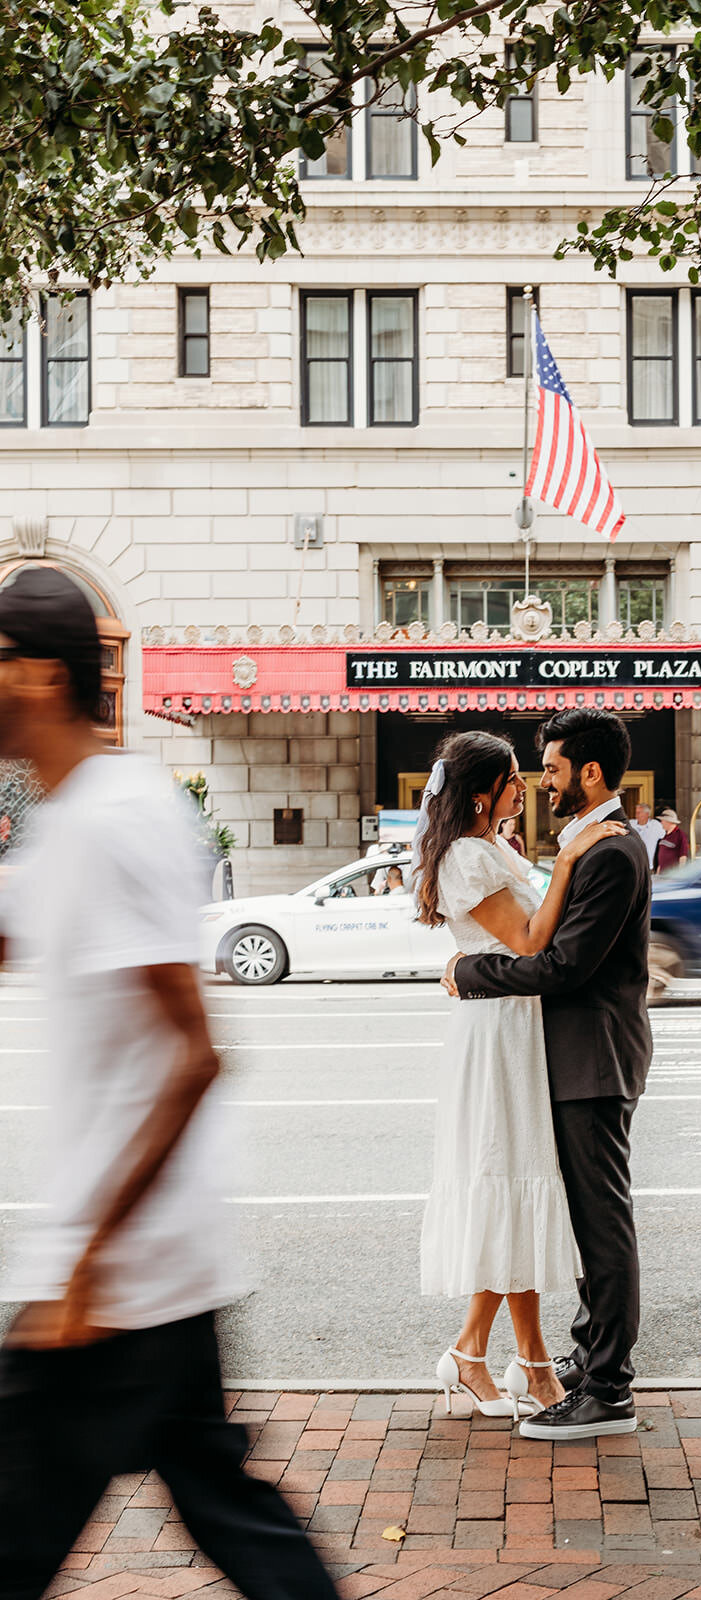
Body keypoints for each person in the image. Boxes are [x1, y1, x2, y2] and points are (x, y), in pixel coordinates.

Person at [0, 567, 339, 1600]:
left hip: (115, 1278)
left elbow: (196, 1053)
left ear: (42, 675)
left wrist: (92, 1261)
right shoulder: (65, 820)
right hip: (150, 1269)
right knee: (232, 1510)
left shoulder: (115, 816)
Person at [444, 709, 652, 1443]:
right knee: (587, 1221)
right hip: (566, 1057)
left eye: (554, 769)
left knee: (601, 1228)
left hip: (589, 1057)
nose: (543, 782)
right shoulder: (589, 847)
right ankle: (585, 1360)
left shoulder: (609, 852)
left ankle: (607, 1391)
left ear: (588, 773)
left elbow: (558, 965)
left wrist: (468, 970)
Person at [655, 807, 689, 872]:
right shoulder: (665, 836)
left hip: (672, 874)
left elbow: (683, 856)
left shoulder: (680, 835)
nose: (661, 823)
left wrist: (680, 873)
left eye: (662, 820)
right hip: (663, 875)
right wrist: (658, 872)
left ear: (668, 821)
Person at [631, 802, 664, 870]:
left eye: (639, 812)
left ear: (647, 814)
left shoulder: (655, 825)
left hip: (647, 866)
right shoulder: (631, 824)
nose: (636, 814)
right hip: (632, 864)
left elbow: (666, 836)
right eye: (636, 812)